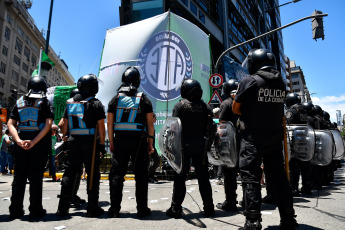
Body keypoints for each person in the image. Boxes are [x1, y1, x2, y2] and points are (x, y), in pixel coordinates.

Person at [232, 48, 297, 229]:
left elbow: (236, 109)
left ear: (254, 63)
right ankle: (288, 218)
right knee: (280, 178)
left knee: (251, 178)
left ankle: (253, 220)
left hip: (252, 138)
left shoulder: (249, 81)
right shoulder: (281, 83)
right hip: (275, 137)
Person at [56, 74, 106, 217]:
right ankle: (92, 207)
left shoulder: (70, 103)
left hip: (73, 141)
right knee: (92, 175)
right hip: (90, 142)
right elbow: (101, 127)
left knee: (69, 174)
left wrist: (65, 138)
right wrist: (102, 144)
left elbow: (64, 124)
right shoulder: (96, 103)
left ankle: (63, 208)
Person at [107, 66, 154, 218]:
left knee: (117, 176)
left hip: (120, 141)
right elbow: (150, 125)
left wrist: (112, 142)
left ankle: (114, 209)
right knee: (141, 175)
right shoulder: (144, 99)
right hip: (139, 142)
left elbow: (110, 123)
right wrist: (150, 144)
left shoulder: (115, 99)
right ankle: (142, 209)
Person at [166, 79, 215, 219]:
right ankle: (209, 208)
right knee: (203, 178)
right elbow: (211, 129)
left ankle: (176, 208)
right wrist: (207, 146)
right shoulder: (205, 107)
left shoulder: (180, 106)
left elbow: (173, 128)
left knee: (180, 178)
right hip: (201, 146)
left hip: (183, 146)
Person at [7, 76, 53, 220]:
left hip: (21, 146)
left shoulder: (19, 102)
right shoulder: (45, 102)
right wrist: (33, 142)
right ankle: (35, 210)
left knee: (19, 178)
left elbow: (10, 124)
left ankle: (15, 210)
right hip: (38, 146)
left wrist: (19, 140)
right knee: (35, 178)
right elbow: (48, 125)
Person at [58, 88, 86, 207]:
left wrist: (65, 134)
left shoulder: (69, 106)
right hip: (79, 140)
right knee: (76, 171)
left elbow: (60, 124)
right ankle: (71, 196)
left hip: (70, 140)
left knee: (70, 171)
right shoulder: (81, 106)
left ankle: (70, 195)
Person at [216, 79, 240, 212]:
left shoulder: (226, 103)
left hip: (230, 145)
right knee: (246, 173)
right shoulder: (243, 102)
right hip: (244, 142)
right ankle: (249, 200)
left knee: (229, 175)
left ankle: (230, 202)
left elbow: (222, 125)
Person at [285, 93, 312, 197]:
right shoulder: (303, 111)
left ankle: (294, 188)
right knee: (305, 166)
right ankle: (307, 187)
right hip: (305, 142)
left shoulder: (291, 111)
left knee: (294, 167)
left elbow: (288, 126)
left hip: (295, 143)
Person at [148, 113, 160, 183]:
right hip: (148, 146)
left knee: (157, 161)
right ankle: (148, 177)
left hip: (152, 146)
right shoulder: (148, 126)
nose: (156, 119)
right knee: (147, 162)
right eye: (155, 118)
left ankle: (151, 175)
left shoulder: (152, 126)